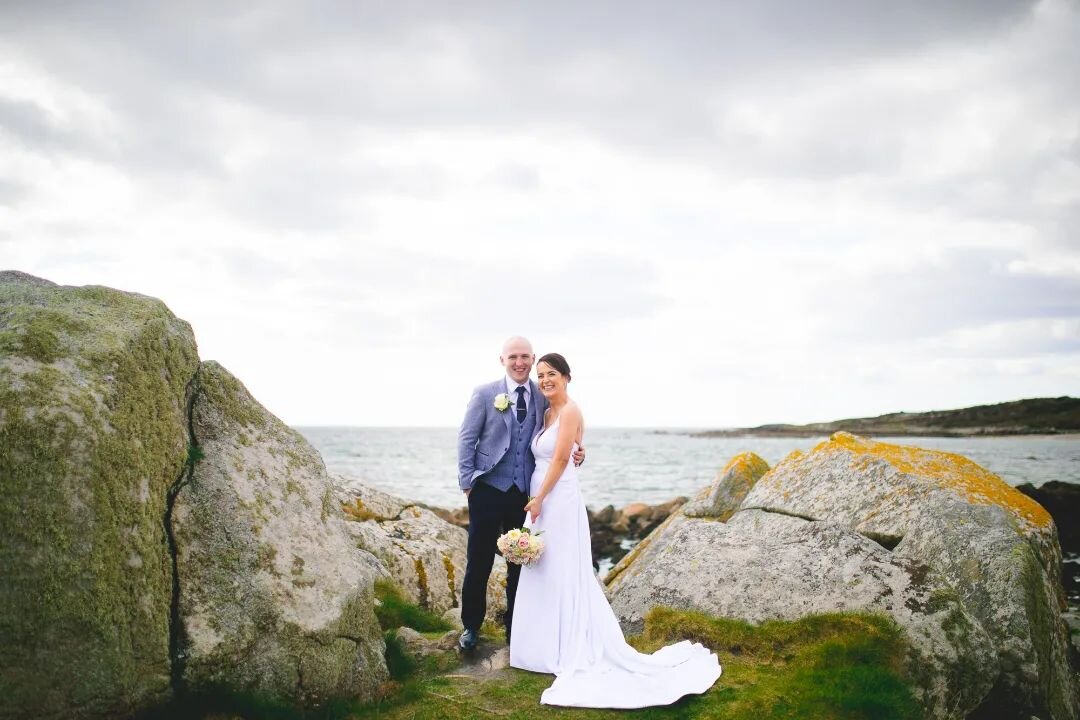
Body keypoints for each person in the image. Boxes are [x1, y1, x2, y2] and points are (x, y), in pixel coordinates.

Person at [510, 353, 722, 708]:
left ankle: (570, 645)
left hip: (556, 498)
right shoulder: (545, 413)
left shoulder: (572, 410)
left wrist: (540, 498)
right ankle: (544, 646)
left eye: (552, 375)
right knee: (543, 569)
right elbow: (571, 451)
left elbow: (563, 459)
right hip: (542, 495)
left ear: (567, 377)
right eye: (541, 375)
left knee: (564, 568)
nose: (545, 380)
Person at [456, 336, 583, 651]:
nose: (519, 362)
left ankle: (517, 632)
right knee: (479, 561)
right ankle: (471, 627)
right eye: (513, 356)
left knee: (521, 563)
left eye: (525, 356)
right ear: (502, 360)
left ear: (533, 358)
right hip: (486, 488)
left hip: (523, 493)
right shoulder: (485, 393)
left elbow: (568, 426)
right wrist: (468, 483)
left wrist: (581, 450)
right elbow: (466, 438)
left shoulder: (543, 396)